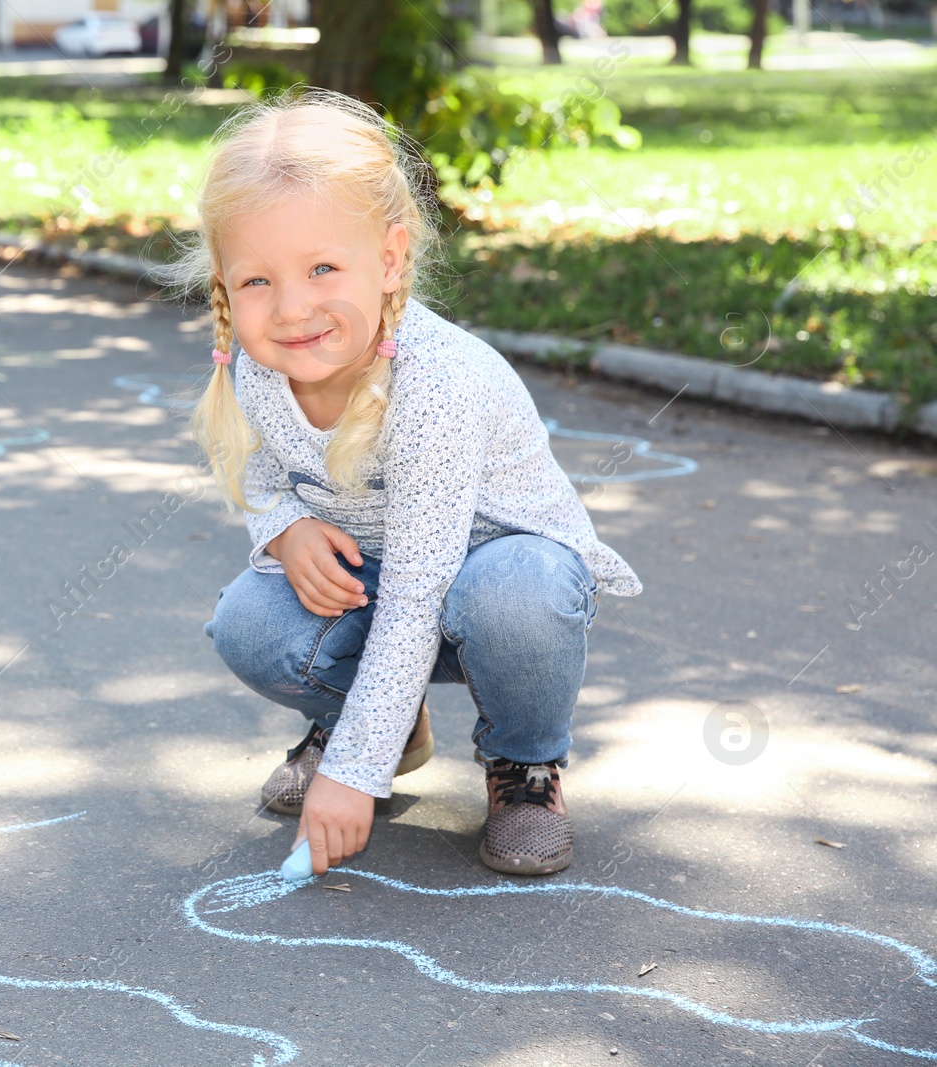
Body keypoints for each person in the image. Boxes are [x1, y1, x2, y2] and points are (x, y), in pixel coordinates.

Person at [169, 88, 641, 878]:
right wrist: (283, 526)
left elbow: (424, 585)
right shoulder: (258, 364)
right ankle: (383, 721)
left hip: (490, 584)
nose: (291, 309)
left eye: (324, 267)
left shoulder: (435, 384)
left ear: (389, 260)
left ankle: (525, 769)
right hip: (382, 583)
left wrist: (353, 773)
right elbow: (256, 466)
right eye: (256, 281)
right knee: (248, 622)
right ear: (224, 282)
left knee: (517, 588)